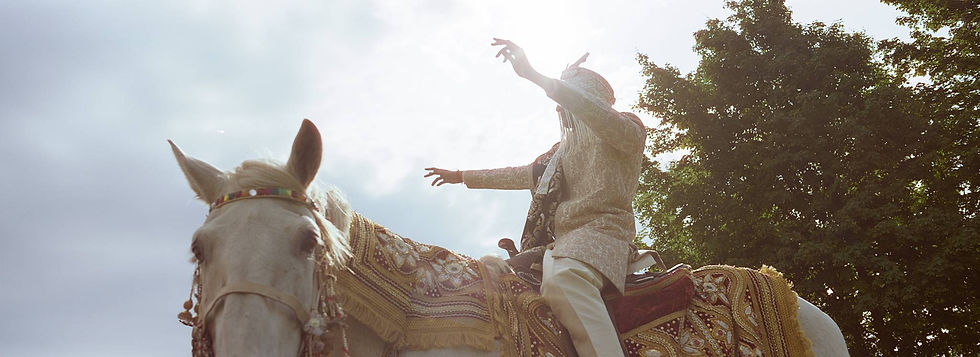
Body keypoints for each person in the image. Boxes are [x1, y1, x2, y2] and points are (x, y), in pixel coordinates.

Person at [424, 38, 646, 357]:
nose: (560, 109)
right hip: (558, 248)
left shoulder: (626, 128)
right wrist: (461, 176)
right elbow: (519, 174)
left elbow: (592, 112)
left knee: (564, 282)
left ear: (590, 98)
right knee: (490, 280)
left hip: (602, 239)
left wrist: (535, 75)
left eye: (568, 98)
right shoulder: (558, 155)